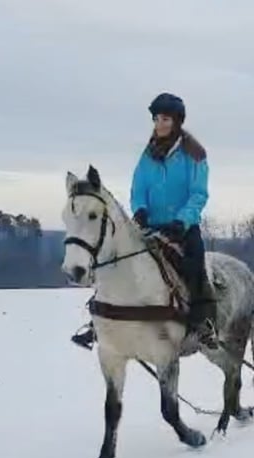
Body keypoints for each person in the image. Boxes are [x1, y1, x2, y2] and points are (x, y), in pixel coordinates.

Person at [71, 92, 216, 349]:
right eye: (156, 118)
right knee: (118, 260)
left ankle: (204, 323)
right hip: (150, 226)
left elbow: (198, 194)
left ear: (177, 122)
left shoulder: (194, 155)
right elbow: (138, 189)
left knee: (195, 267)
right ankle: (98, 323)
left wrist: (182, 221)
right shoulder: (147, 155)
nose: (159, 124)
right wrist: (139, 210)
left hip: (182, 228)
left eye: (165, 119)